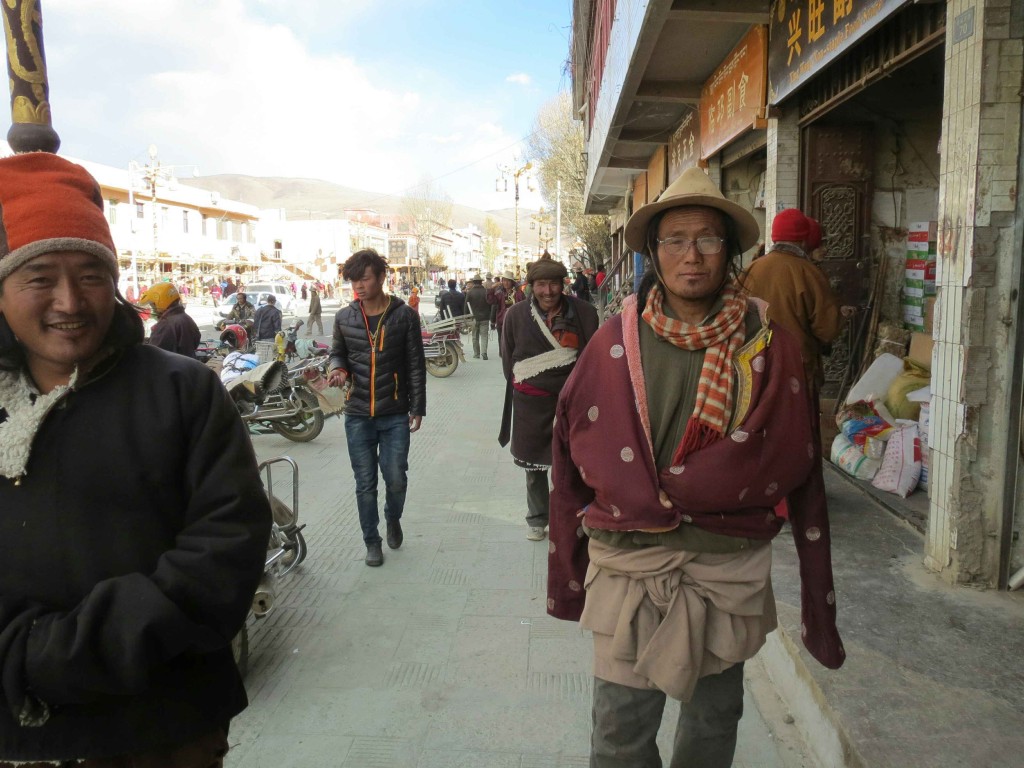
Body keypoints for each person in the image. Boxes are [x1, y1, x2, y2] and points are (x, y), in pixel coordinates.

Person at [546, 166, 845, 767]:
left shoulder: (768, 344)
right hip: (631, 566)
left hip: (725, 570)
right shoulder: (612, 343)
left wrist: (818, 593)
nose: (692, 256)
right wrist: (568, 566)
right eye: (675, 240)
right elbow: (568, 456)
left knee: (712, 730)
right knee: (619, 736)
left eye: (708, 239)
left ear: (730, 252)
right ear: (653, 254)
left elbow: (801, 462)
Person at [0, 152, 270, 766]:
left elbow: (225, 549)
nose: (70, 301)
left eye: (90, 276)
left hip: (162, 725)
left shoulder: (183, 392)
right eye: (39, 277)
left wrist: (56, 654)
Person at [327, 249, 426, 567]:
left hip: (395, 412)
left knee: (396, 477)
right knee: (365, 481)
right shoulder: (344, 317)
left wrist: (418, 407)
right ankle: (372, 541)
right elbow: (337, 353)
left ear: (382, 277)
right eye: (354, 280)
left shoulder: (405, 316)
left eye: (364, 278)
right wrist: (337, 369)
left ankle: (393, 517)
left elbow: (415, 365)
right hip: (357, 415)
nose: (358, 285)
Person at [499, 256, 599, 541]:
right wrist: (529, 384)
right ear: (531, 286)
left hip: (572, 401)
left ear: (563, 284)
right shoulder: (516, 316)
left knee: (575, 462)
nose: (547, 291)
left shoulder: (584, 313)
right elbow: (509, 362)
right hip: (531, 403)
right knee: (534, 465)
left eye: (553, 283)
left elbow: (592, 360)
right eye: (541, 284)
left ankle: (575, 515)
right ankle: (537, 517)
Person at [739, 208, 852, 401]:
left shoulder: (752, 269)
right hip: (795, 367)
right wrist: (841, 315)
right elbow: (826, 329)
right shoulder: (809, 273)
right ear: (804, 240)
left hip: (753, 363)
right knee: (794, 424)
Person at [138, 281, 201, 358]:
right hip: (187, 365)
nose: (153, 309)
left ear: (160, 302)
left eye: (153, 305)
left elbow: (154, 354)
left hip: (172, 368)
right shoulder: (185, 318)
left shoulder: (166, 323)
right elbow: (196, 340)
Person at [487, 270, 525, 345]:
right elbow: (491, 301)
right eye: (504, 280)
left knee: (515, 343)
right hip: (502, 322)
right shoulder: (499, 293)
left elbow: (524, 306)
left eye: (508, 281)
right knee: (503, 344)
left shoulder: (519, 293)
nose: (506, 283)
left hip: (515, 322)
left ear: (512, 282)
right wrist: (491, 289)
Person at [464, 274, 491, 360]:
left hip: (474, 317)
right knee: (484, 335)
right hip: (485, 317)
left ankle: (476, 354)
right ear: (481, 282)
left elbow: (466, 306)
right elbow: (490, 304)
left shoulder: (470, 292)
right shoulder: (486, 292)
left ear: (474, 282)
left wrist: (466, 317)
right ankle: (484, 352)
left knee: (475, 336)